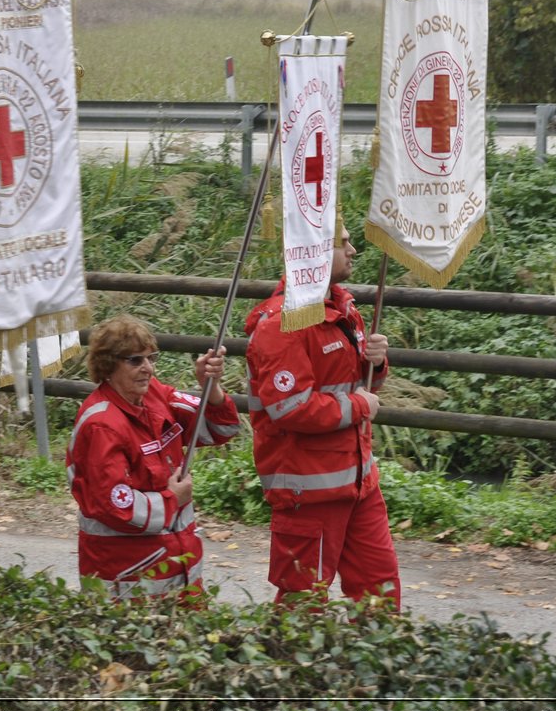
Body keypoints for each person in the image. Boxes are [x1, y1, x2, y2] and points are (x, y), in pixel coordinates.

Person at [246, 216, 399, 608]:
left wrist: (376, 365)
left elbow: (358, 384)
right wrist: (360, 404)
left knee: (379, 591)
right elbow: (291, 408)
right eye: (342, 243)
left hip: (360, 482)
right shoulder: (281, 325)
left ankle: (378, 668)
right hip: (308, 490)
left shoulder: (344, 308)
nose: (352, 250)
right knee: (302, 601)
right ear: (313, 252)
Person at [66, 316, 238, 599]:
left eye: (151, 358)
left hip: (180, 571)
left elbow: (221, 429)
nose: (148, 368)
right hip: (129, 578)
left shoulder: (154, 394)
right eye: (135, 360)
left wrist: (212, 386)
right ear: (109, 365)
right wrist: (172, 498)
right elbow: (115, 505)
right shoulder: (102, 425)